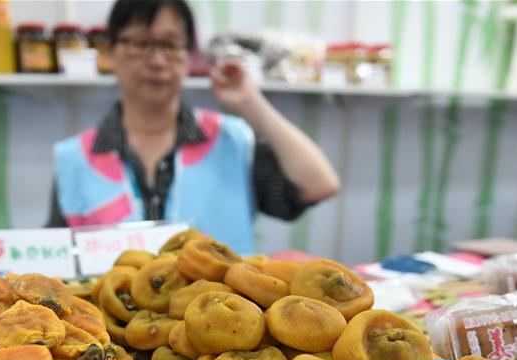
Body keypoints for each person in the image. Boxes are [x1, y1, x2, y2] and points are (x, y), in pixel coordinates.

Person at [48, 0, 339, 254]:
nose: (158, 60)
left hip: (221, 316)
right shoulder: (75, 158)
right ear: (110, 52)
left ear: (189, 57)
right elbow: (55, 257)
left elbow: (319, 185)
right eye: (141, 43)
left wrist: (251, 104)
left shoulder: (231, 141)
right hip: (104, 316)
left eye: (172, 45)